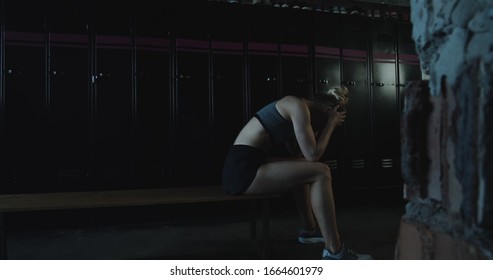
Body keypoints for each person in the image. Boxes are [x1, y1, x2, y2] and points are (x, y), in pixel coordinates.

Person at [222, 85, 372, 260]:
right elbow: (313, 155)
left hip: (248, 164)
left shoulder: (296, 110)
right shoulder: (296, 106)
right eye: (325, 119)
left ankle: (309, 230)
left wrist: (320, 128)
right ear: (327, 110)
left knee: (303, 168)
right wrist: (330, 124)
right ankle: (335, 251)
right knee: (321, 171)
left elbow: (298, 155)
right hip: (243, 170)